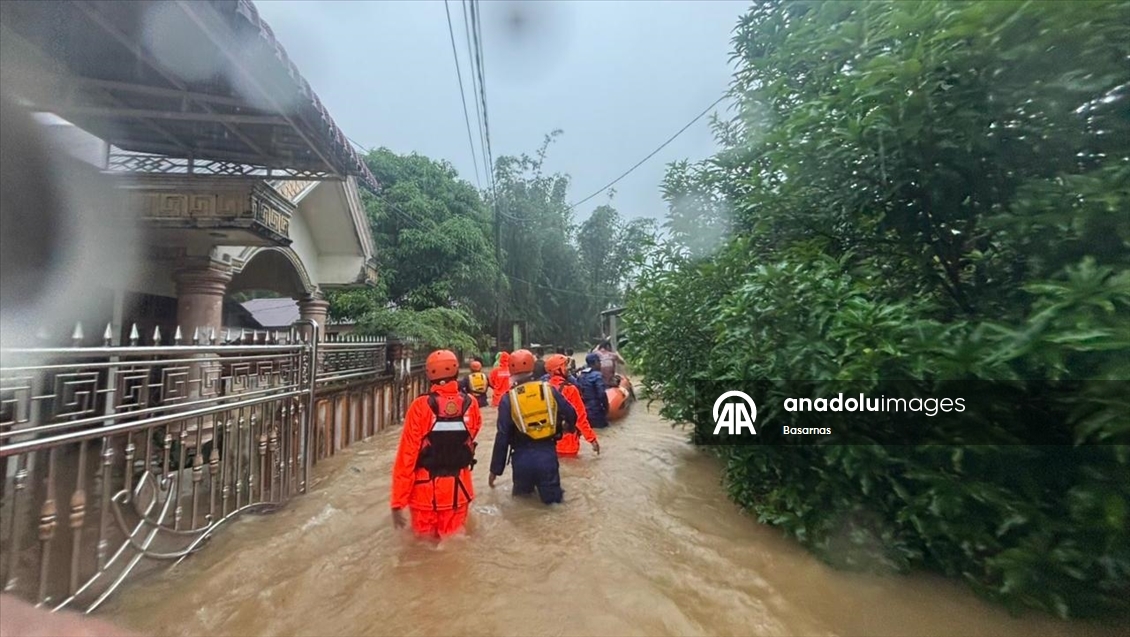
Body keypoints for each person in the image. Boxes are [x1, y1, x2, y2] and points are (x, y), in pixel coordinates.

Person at [390, 349, 482, 540]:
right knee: (454, 546)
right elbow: (470, 437)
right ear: (457, 372)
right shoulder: (471, 404)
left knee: (422, 549)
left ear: (428, 373)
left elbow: (407, 456)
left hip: (424, 494)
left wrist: (398, 502)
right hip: (459, 490)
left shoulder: (419, 406)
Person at [488, 349, 577, 504]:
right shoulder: (549, 390)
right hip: (547, 455)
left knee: (523, 504)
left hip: (521, 459)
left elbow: (502, 436)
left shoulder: (508, 399)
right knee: (554, 505)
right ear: (532, 367)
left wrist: (495, 470)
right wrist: (567, 428)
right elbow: (571, 414)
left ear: (511, 370)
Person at [542, 354, 600, 457]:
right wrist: (592, 439)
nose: (568, 368)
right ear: (557, 370)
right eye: (565, 365)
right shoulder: (570, 389)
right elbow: (580, 418)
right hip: (568, 444)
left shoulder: (542, 389)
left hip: (547, 445)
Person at [576, 352, 610, 428]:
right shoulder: (597, 375)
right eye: (599, 362)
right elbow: (602, 394)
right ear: (595, 362)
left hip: (584, 412)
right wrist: (606, 408)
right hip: (596, 412)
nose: (600, 364)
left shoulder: (580, 376)